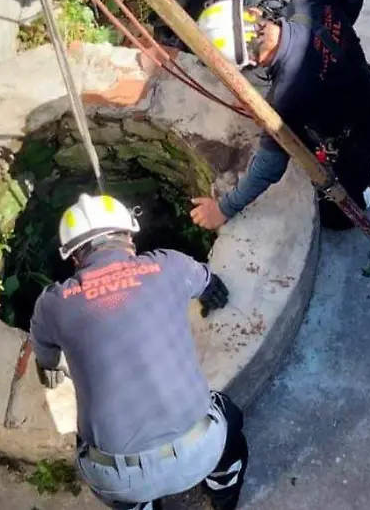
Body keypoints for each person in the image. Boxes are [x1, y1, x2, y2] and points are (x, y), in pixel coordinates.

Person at [29, 193, 247, 510]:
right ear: (130, 235)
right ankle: (223, 493)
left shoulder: (52, 304)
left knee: (94, 451)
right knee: (230, 416)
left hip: (120, 477)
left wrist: (48, 368)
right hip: (201, 449)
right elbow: (207, 281)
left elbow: (45, 355)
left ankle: (139, 506)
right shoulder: (169, 265)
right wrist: (213, 289)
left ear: (74, 256)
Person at [188, 0, 370, 231]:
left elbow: (269, 167)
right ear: (253, 13)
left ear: (249, 62)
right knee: (342, 102)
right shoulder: (309, 2)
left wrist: (224, 208)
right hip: (362, 90)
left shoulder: (286, 98)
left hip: (358, 133)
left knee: (336, 216)